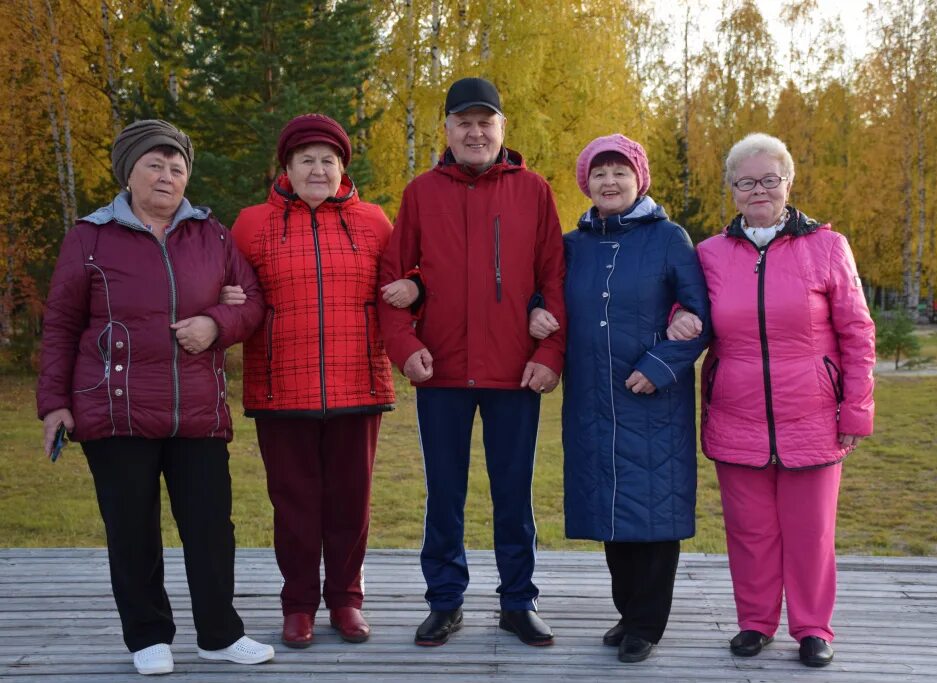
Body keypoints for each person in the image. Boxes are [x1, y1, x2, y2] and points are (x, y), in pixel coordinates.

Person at [36, 119, 274, 675]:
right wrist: (54, 403)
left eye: (177, 166)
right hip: (114, 409)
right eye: (155, 164)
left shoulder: (211, 235)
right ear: (129, 172)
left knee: (212, 529)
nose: (168, 176)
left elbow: (254, 302)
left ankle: (219, 634)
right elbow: (62, 325)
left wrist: (216, 323)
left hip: (196, 409)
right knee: (132, 529)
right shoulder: (90, 237)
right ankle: (148, 637)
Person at [377, 77, 566, 648]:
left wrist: (549, 352)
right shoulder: (420, 193)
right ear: (448, 130)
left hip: (515, 375)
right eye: (464, 122)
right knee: (445, 494)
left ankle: (517, 602)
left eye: (486, 122)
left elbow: (555, 279)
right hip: (443, 374)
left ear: (502, 130)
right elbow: (392, 281)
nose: (475, 132)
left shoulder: (533, 191)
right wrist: (405, 350)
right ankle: (445, 601)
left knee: (514, 494)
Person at [685, 132, 875, 667]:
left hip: (812, 415)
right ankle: (755, 623)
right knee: (750, 532)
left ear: (788, 183)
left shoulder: (828, 248)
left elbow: (858, 332)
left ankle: (813, 628)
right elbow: (690, 319)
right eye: (746, 182)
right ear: (732, 190)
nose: (759, 190)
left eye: (770, 179)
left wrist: (855, 408)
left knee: (811, 533)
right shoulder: (709, 255)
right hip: (736, 415)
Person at [529, 134, 709, 663]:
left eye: (620, 172)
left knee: (653, 511)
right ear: (587, 183)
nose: (610, 182)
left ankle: (647, 624)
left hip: (651, 399)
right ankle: (628, 613)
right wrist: (534, 312)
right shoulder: (571, 245)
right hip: (592, 398)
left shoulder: (670, 238)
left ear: (639, 179)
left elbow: (699, 317)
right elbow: (546, 296)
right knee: (611, 510)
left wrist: (659, 368)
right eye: (599, 173)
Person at [227, 113, 398, 649]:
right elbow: (231, 287)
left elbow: (404, 279)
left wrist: (412, 289)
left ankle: (346, 600)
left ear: (342, 168)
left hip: (358, 383)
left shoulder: (373, 221)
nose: (318, 170)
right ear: (287, 168)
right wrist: (227, 299)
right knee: (294, 504)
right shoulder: (252, 224)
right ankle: (298, 604)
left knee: (352, 502)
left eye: (328, 160)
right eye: (307, 161)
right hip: (281, 388)